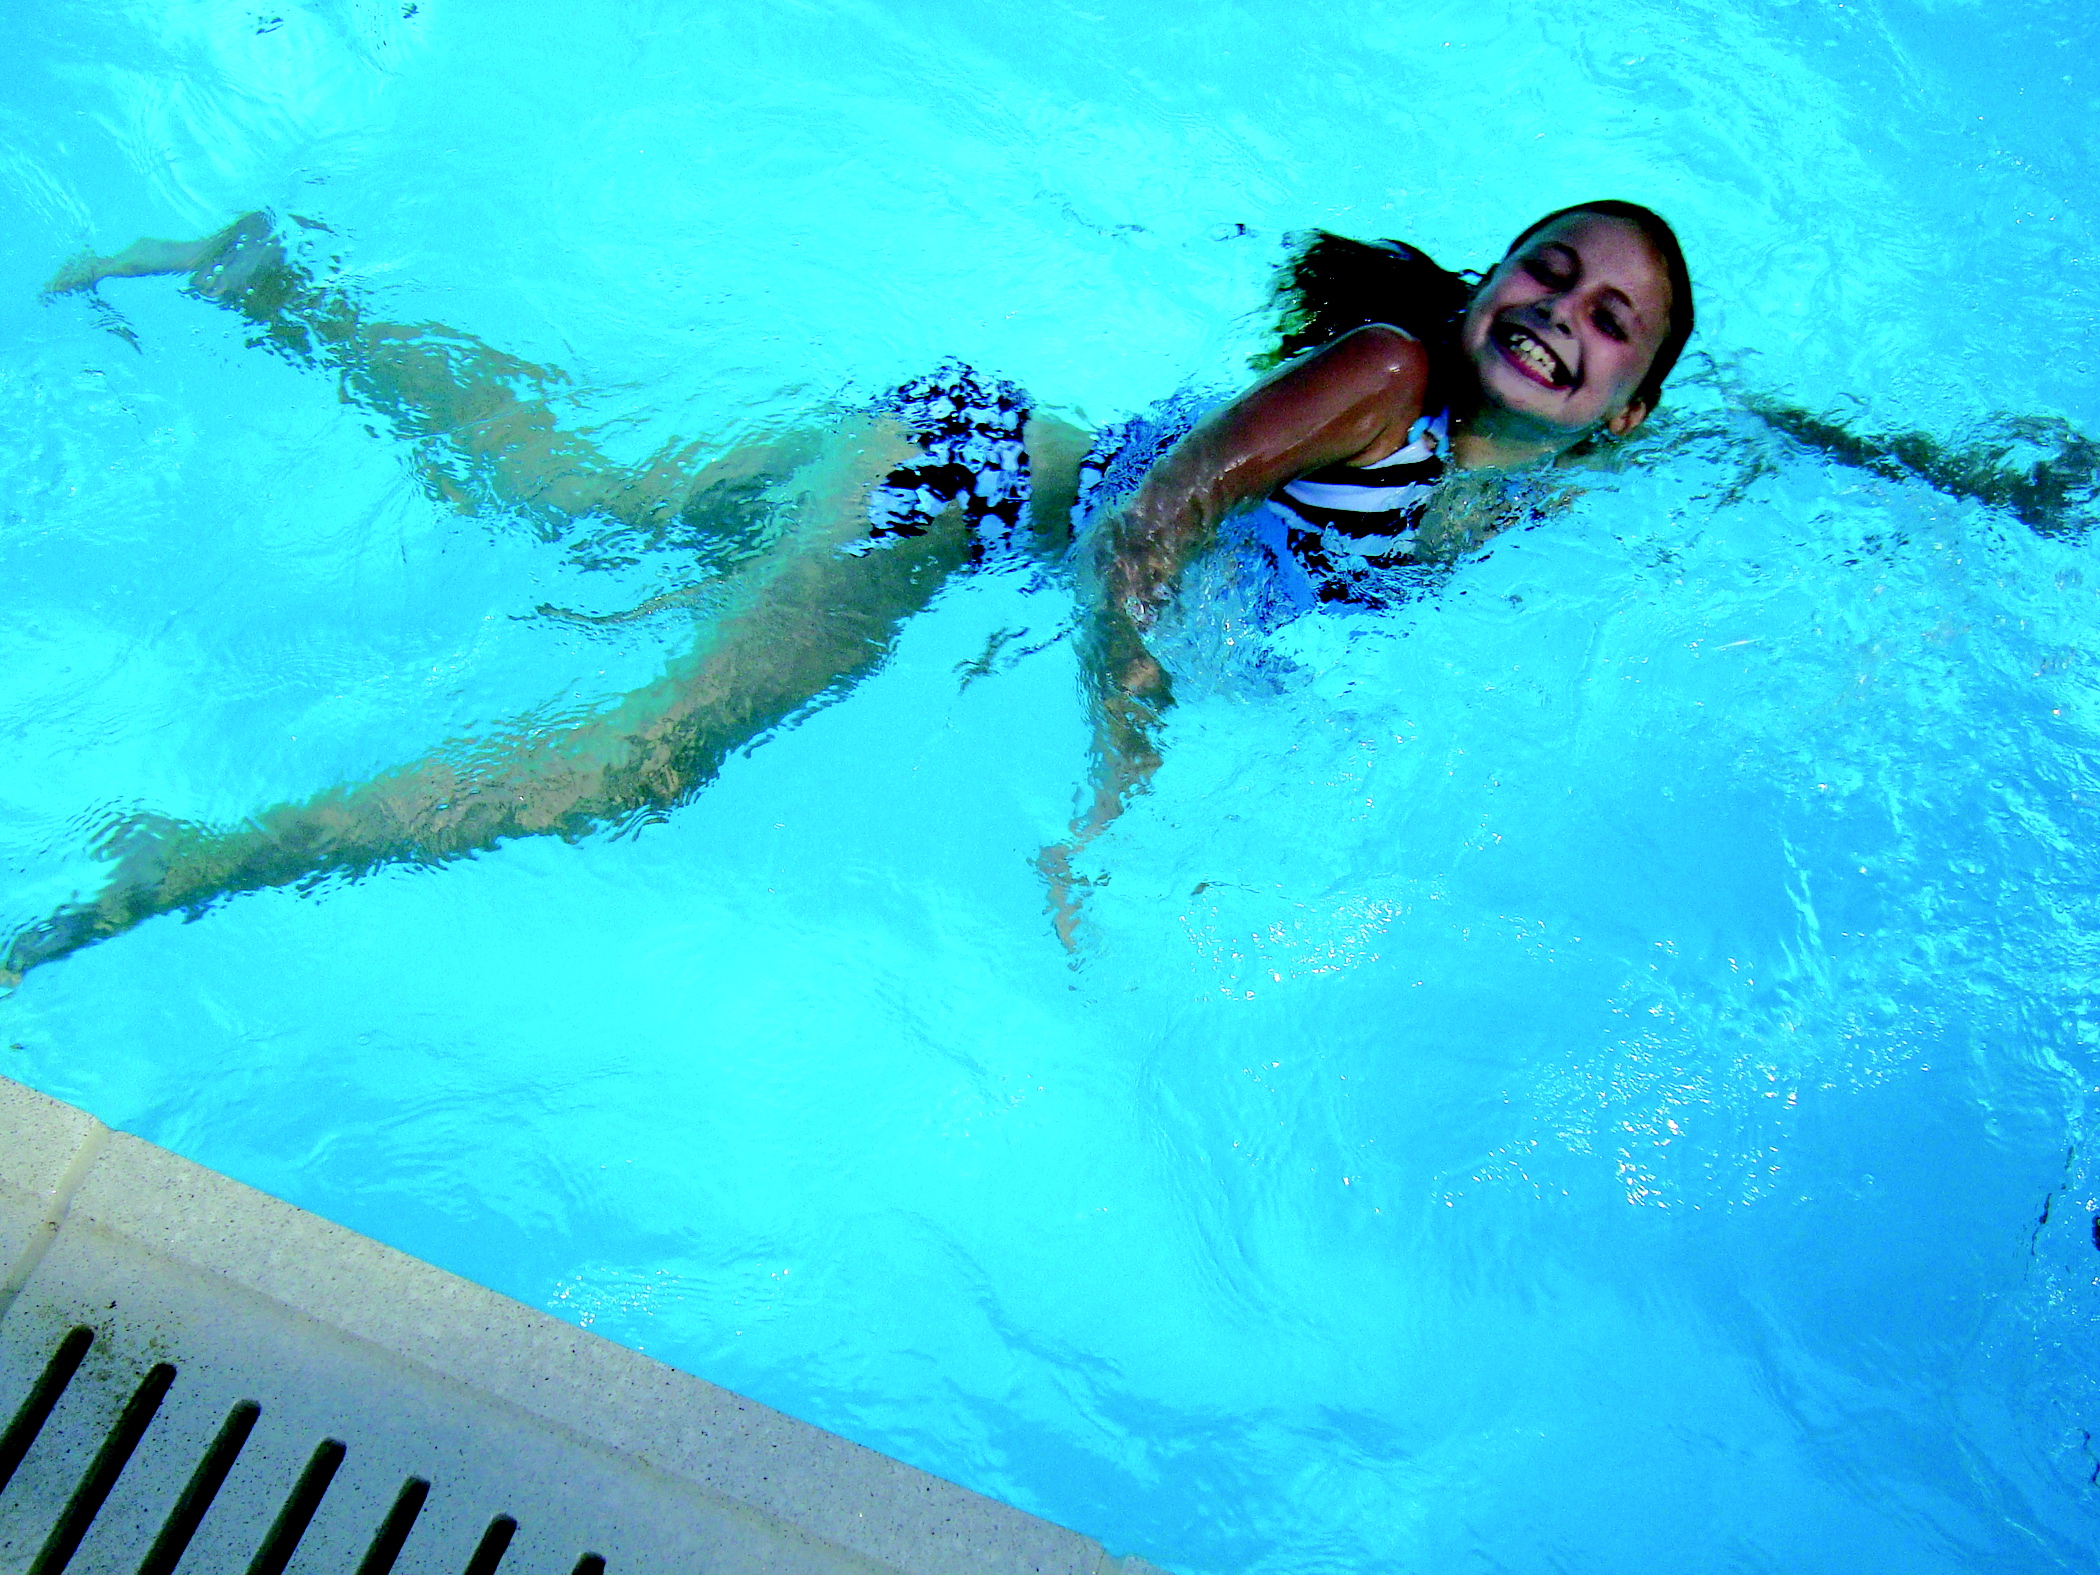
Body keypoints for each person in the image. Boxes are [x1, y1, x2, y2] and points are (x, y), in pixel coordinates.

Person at [4, 200, 1693, 981]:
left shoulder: (1519, 485)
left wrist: (1852, 449)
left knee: (580, 500)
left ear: (1622, 415)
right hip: (949, 489)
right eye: (1550, 271)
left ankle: (268, 280)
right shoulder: (1389, 375)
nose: (1563, 311)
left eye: (1608, 321)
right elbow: (1144, 533)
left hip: (958, 441)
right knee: (635, 767)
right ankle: (187, 862)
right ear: (1488, 277)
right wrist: (1117, 773)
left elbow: (1722, 434)